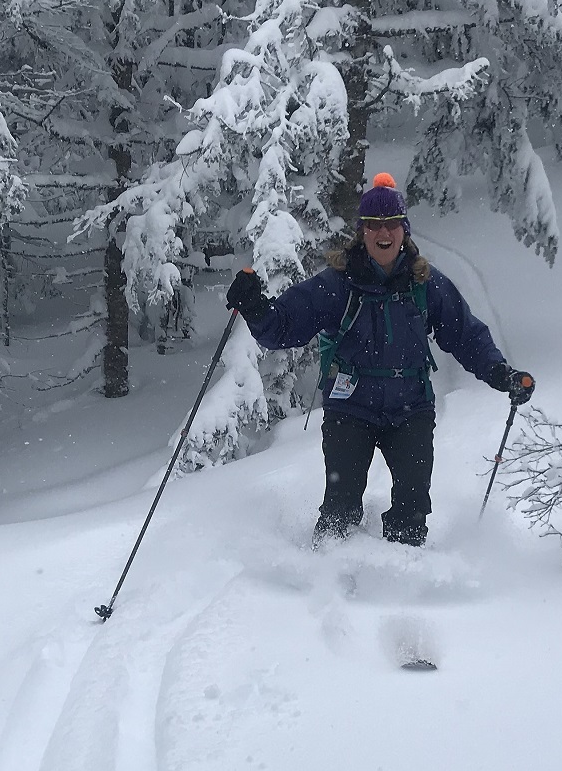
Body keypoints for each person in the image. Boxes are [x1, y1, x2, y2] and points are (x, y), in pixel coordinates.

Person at [226, 172, 534, 547]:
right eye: (374, 225)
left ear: (404, 231)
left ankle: (403, 582)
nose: (383, 233)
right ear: (362, 232)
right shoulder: (338, 284)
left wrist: (501, 373)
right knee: (341, 507)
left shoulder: (425, 284)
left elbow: (465, 334)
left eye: (391, 224)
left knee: (412, 508)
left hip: (411, 408)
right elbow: (285, 326)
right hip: (350, 407)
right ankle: (322, 577)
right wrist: (256, 308)